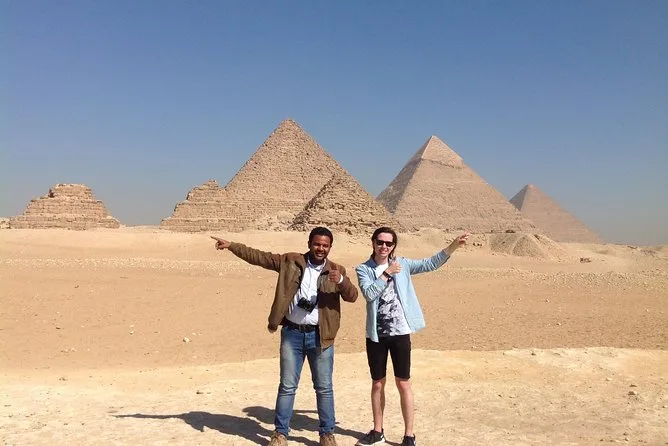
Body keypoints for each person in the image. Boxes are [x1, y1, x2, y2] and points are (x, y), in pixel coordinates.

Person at [211, 227, 358, 446]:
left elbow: (353, 296)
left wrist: (342, 281)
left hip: (321, 337)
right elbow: (259, 257)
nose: (320, 248)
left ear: (330, 247)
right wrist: (233, 246)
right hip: (292, 334)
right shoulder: (290, 261)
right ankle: (280, 434)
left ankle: (327, 433)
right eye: (317, 244)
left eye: (325, 245)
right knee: (287, 386)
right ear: (309, 243)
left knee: (324, 388)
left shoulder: (336, 270)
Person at [354, 227, 469, 446]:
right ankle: (377, 431)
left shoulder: (403, 264)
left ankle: (409, 435)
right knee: (377, 384)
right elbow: (369, 294)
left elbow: (430, 264)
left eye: (389, 243)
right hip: (376, 335)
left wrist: (453, 246)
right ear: (373, 242)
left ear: (394, 246)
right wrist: (387, 273)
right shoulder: (363, 269)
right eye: (380, 242)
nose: (384, 246)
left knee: (403, 383)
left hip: (400, 333)